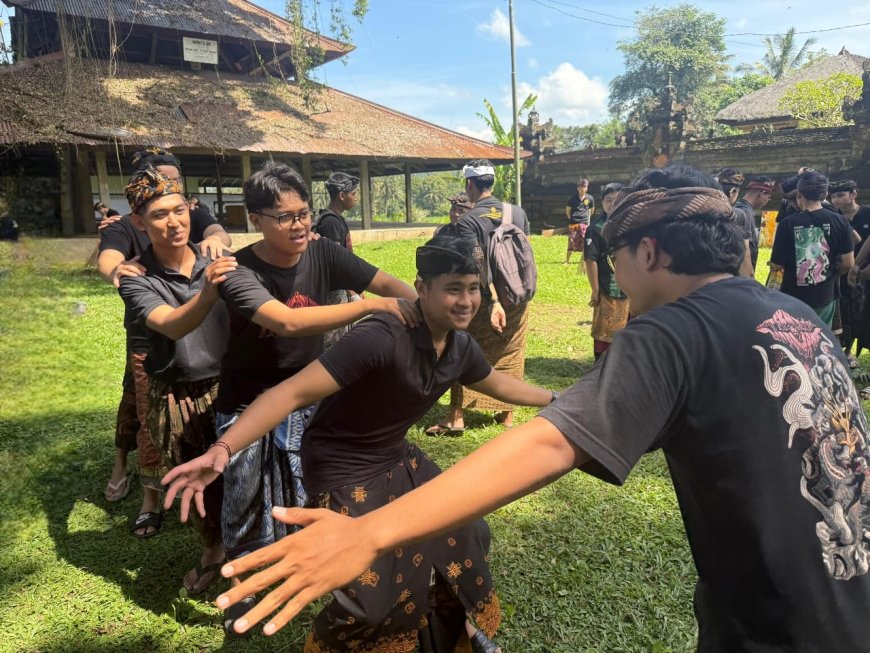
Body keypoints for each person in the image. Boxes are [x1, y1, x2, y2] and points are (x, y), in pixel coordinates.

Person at [209, 165, 870, 652]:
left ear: (647, 252)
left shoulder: (673, 327)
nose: (615, 283)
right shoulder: (793, 313)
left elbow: (550, 441)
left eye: (613, 264)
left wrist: (369, 531)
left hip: (778, 628)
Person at [164, 234, 556, 651]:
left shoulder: (459, 346)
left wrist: (559, 401)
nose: (466, 301)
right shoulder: (382, 336)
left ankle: (460, 632)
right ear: (422, 289)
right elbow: (291, 393)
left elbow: (497, 384)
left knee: (466, 531)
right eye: (453, 289)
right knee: (373, 590)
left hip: (395, 455)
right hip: (341, 466)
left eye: (473, 288)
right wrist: (222, 449)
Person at [211, 161, 420, 630]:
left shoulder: (322, 251)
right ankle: (242, 591)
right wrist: (369, 306)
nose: (300, 224)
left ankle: (314, 576)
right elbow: (284, 321)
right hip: (249, 401)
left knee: (311, 493)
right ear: (255, 220)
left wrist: (421, 313)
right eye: (284, 217)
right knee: (244, 501)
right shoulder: (237, 269)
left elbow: (387, 283)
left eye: (303, 212)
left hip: (308, 397)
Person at [117, 166, 236, 592]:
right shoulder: (137, 279)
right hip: (180, 398)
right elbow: (170, 325)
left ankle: (245, 548)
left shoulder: (216, 261)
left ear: (191, 210)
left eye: (180, 210)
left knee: (243, 478)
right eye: (159, 215)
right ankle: (212, 553)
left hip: (232, 389)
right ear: (139, 222)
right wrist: (209, 289)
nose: (173, 223)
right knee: (196, 485)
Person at [426, 160, 532, 434]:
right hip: (519, 293)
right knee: (512, 348)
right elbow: (525, 252)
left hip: (488, 298)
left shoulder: (469, 221)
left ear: (470, 185)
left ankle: (456, 417)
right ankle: (507, 413)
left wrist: (494, 300)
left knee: (463, 347)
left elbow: (478, 263)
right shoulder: (516, 212)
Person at [770, 170, 854, 326]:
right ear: (825, 194)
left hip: (793, 297)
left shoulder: (787, 224)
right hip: (825, 296)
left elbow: (777, 267)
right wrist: (831, 276)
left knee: (794, 343)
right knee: (820, 341)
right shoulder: (840, 221)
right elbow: (848, 263)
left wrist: (771, 295)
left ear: (799, 194)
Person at [314, 172, 361, 348]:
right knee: (333, 339)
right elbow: (335, 262)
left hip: (342, 286)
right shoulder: (331, 222)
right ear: (342, 196)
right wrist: (351, 291)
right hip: (333, 291)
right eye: (353, 194)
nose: (355, 198)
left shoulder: (336, 219)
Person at [584, 182, 629, 359]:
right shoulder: (596, 229)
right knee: (605, 334)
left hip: (631, 289)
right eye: (608, 200)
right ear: (602, 202)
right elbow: (590, 260)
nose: (612, 204)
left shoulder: (630, 225)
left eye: (617, 200)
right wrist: (595, 290)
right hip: (607, 287)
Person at [830, 180, 870, 365]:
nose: (835, 200)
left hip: (864, 271)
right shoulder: (833, 216)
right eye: (833, 196)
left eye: (840, 195)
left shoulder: (867, 213)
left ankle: (849, 350)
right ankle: (838, 348)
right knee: (840, 309)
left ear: (853, 194)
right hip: (840, 268)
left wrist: (860, 267)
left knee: (859, 310)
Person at [715, 169, 754, 277]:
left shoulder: (699, 209)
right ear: (732, 192)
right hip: (730, 275)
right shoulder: (739, 215)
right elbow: (746, 253)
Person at [734, 178, 775, 270]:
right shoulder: (745, 212)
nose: (767, 201)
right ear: (762, 193)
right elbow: (745, 248)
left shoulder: (737, 208)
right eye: (768, 197)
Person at [565, 178, 594, 265]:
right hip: (573, 223)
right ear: (577, 188)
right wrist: (572, 218)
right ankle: (567, 261)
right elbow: (567, 210)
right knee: (571, 241)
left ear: (587, 188)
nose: (583, 189)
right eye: (581, 187)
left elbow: (591, 210)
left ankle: (583, 260)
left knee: (585, 242)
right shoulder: (572, 198)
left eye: (585, 187)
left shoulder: (590, 198)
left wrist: (585, 219)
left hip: (584, 224)